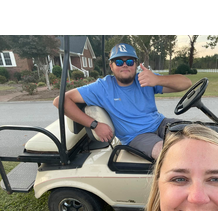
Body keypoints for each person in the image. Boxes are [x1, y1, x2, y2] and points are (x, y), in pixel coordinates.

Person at [53, 43, 192, 160]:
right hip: (137, 136)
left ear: (136, 64)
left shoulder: (145, 79)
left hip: (161, 123)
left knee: (201, 134)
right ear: (111, 65)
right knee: (173, 154)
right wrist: (94, 124)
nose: (125, 65)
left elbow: (186, 83)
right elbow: (60, 101)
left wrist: (158, 80)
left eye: (130, 61)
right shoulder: (102, 87)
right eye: (119, 62)